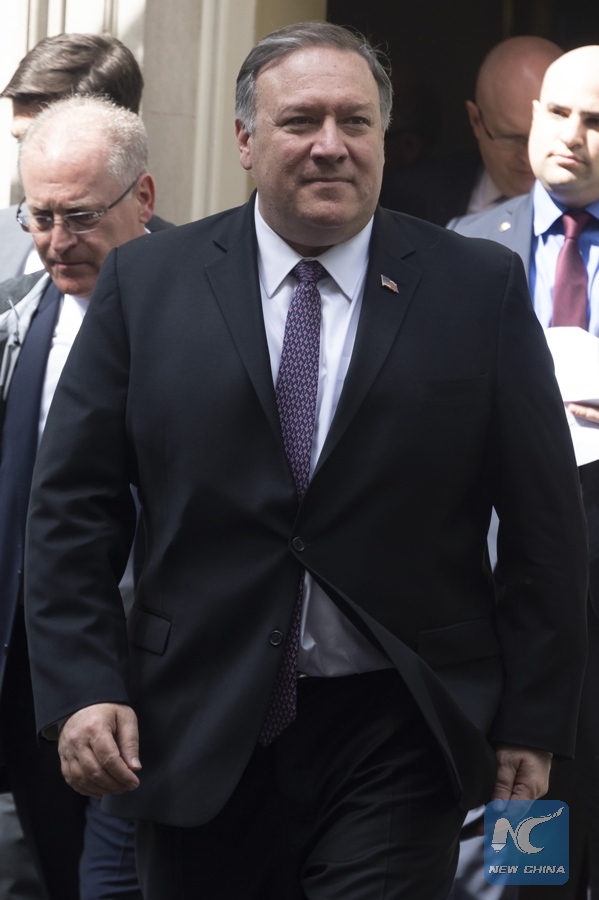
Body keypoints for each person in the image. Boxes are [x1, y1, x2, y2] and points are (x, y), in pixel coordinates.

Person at [24, 23, 587, 900]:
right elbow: (71, 508)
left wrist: (533, 719)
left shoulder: (475, 288)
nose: (331, 145)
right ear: (245, 141)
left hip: (396, 726)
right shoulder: (148, 285)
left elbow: (542, 523)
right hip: (196, 720)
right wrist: (84, 685)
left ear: (382, 140)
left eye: (354, 122)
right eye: (300, 121)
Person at [448, 45, 599, 899]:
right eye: (557, 113)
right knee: (521, 868)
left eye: (595, 121)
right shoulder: (461, 250)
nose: (570, 136)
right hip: (505, 619)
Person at [0, 95, 156, 900]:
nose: (57, 242)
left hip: (159, 672)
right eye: (40, 217)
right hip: (33, 672)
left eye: (82, 218)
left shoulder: (207, 307)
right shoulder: (17, 314)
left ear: (143, 198)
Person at [0, 31, 169, 281]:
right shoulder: (4, 235)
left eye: (82, 216)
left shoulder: (189, 271)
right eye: (22, 141)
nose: (58, 243)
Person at [380, 36, 562, 225]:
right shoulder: (411, 196)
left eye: (544, 136)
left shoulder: (582, 212)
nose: (529, 156)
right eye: (511, 138)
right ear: (476, 121)